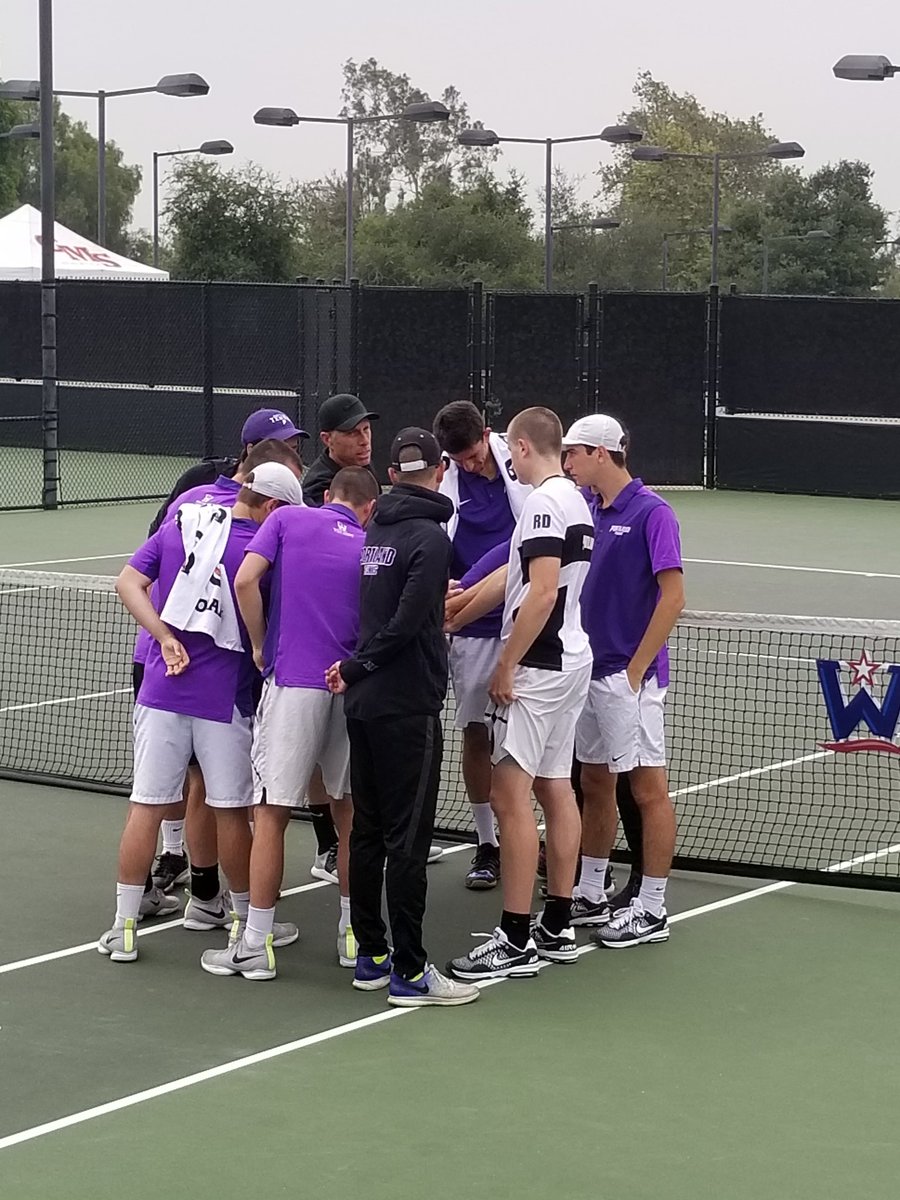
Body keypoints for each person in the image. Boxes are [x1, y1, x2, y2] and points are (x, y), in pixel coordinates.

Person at [99, 463, 305, 965]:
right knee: (232, 812)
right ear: (273, 507)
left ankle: (123, 928)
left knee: (146, 806)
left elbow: (127, 583)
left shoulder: (181, 524)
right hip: (226, 700)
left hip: (160, 692)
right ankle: (242, 925)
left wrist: (165, 637)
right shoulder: (265, 552)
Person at [201, 468, 379, 980]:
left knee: (272, 813)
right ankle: (353, 938)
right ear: (368, 508)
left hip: (294, 683)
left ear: (327, 497)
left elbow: (244, 580)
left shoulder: (287, 522)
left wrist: (259, 645)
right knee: (349, 817)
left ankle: (255, 944)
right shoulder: (369, 545)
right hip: (348, 687)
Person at [326, 429, 479, 1008]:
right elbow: (413, 620)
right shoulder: (430, 537)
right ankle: (411, 973)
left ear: (392, 473)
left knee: (367, 832)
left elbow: (392, 610)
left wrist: (357, 672)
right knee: (407, 841)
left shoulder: (377, 532)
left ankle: (372, 956)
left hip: (366, 708)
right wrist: (360, 666)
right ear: (439, 471)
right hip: (405, 707)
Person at [448, 407, 593, 981]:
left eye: (512, 448)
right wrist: (454, 615)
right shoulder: (575, 500)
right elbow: (509, 577)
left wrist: (506, 663)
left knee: (510, 797)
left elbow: (538, 595)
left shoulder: (540, 503)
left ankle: (512, 936)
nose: (509, 458)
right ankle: (556, 924)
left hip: (536, 669)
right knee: (556, 788)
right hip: (570, 664)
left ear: (525, 446)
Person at [561, 414, 684, 947]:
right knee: (593, 781)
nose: (566, 463)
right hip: (588, 671)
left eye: (574, 453)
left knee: (649, 789)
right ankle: (590, 890)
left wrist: (636, 671)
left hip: (628, 681)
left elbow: (673, 597)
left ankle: (652, 906)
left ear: (601, 454)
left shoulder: (654, 513)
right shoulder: (588, 509)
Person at [433, 401, 531, 890]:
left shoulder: (521, 464)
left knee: (529, 742)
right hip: (468, 631)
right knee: (477, 734)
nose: (470, 466)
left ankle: (541, 845)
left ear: (487, 436)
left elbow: (526, 541)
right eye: (460, 461)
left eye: (473, 456)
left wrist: (471, 587)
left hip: (524, 622)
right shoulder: (445, 476)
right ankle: (487, 844)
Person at [149, 408, 307, 536]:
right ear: (251, 449)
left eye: (293, 449)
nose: (288, 456)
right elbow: (159, 527)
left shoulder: (289, 492)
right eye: (278, 448)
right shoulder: (201, 478)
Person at [302, 394, 379, 508]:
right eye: (353, 433)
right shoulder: (319, 488)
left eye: (366, 429)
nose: (364, 440)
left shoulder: (358, 461)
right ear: (327, 439)